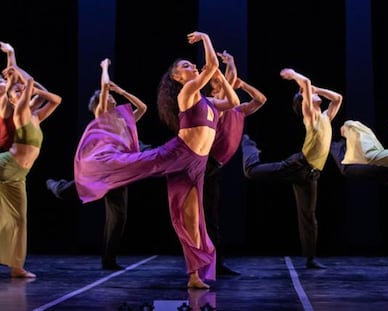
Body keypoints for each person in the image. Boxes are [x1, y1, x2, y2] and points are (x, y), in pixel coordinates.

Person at [73, 32, 240, 288]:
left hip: (197, 164)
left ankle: (194, 277)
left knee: (191, 220)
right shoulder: (188, 94)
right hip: (178, 153)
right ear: (177, 77)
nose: (193, 67)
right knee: (136, 163)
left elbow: (234, 101)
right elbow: (212, 65)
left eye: (192, 64)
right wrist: (206, 39)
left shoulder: (208, 101)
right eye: (186, 66)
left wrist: (219, 77)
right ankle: (97, 167)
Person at [46, 59, 148, 271]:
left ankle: (108, 260)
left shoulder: (121, 120)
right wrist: (104, 69)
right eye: (109, 97)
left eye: (112, 97)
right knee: (68, 192)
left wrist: (121, 90)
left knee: (118, 216)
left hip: (118, 170)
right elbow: (103, 89)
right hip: (101, 166)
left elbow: (143, 107)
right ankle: (56, 185)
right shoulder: (102, 114)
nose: (111, 98)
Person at [242, 68, 343, 269]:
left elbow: (338, 98)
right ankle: (248, 144)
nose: (314, 94)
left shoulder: (325, 118)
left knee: (308, 216)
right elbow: (305, 82)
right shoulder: (311, 116)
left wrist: (317, 89)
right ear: (304, 101)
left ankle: (310, 258)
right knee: (252, 172)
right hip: (298, 166)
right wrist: (294, 75)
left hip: (311, 175)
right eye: (310, 95)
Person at [203, 50, 267, 275]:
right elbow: (226, 81)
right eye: (218, 83)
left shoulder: (238, 110)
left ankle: (214, 263)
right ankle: (209, 264)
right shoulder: (216, 104)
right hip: (205, 164)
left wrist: (243, 83)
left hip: (215, 166)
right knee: (206, 217)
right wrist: (230, 63)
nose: (223, 84)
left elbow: (261, 100)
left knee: (211, 217)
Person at [0, 63, 61, 278]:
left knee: (19, 220)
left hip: (19, 175)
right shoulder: (19, 110)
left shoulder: (36, 117)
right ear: (11, 98)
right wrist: (13, 61)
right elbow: (29, 82)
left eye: (21, 90)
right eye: (15, 92)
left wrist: (33, 89)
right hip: (4, 166)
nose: (20, 92)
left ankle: (17, 268)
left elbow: (55, 99)